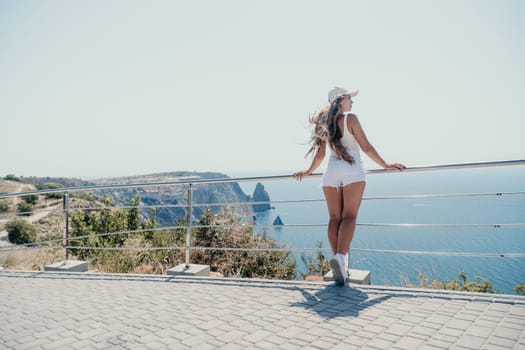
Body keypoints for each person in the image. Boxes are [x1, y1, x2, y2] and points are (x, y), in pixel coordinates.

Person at [294, 86, 405, 285]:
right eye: (349, 98)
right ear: (341, 100)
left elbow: (320, 155)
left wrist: (308, 171)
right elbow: (366, 146)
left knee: (334, 218)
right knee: (349, 217)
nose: (352, 102)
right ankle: (340, 257)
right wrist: (385, 165)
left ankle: (339, 264)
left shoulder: (324, 123)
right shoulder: (350, 118)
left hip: (331, 173)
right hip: (352, 169)